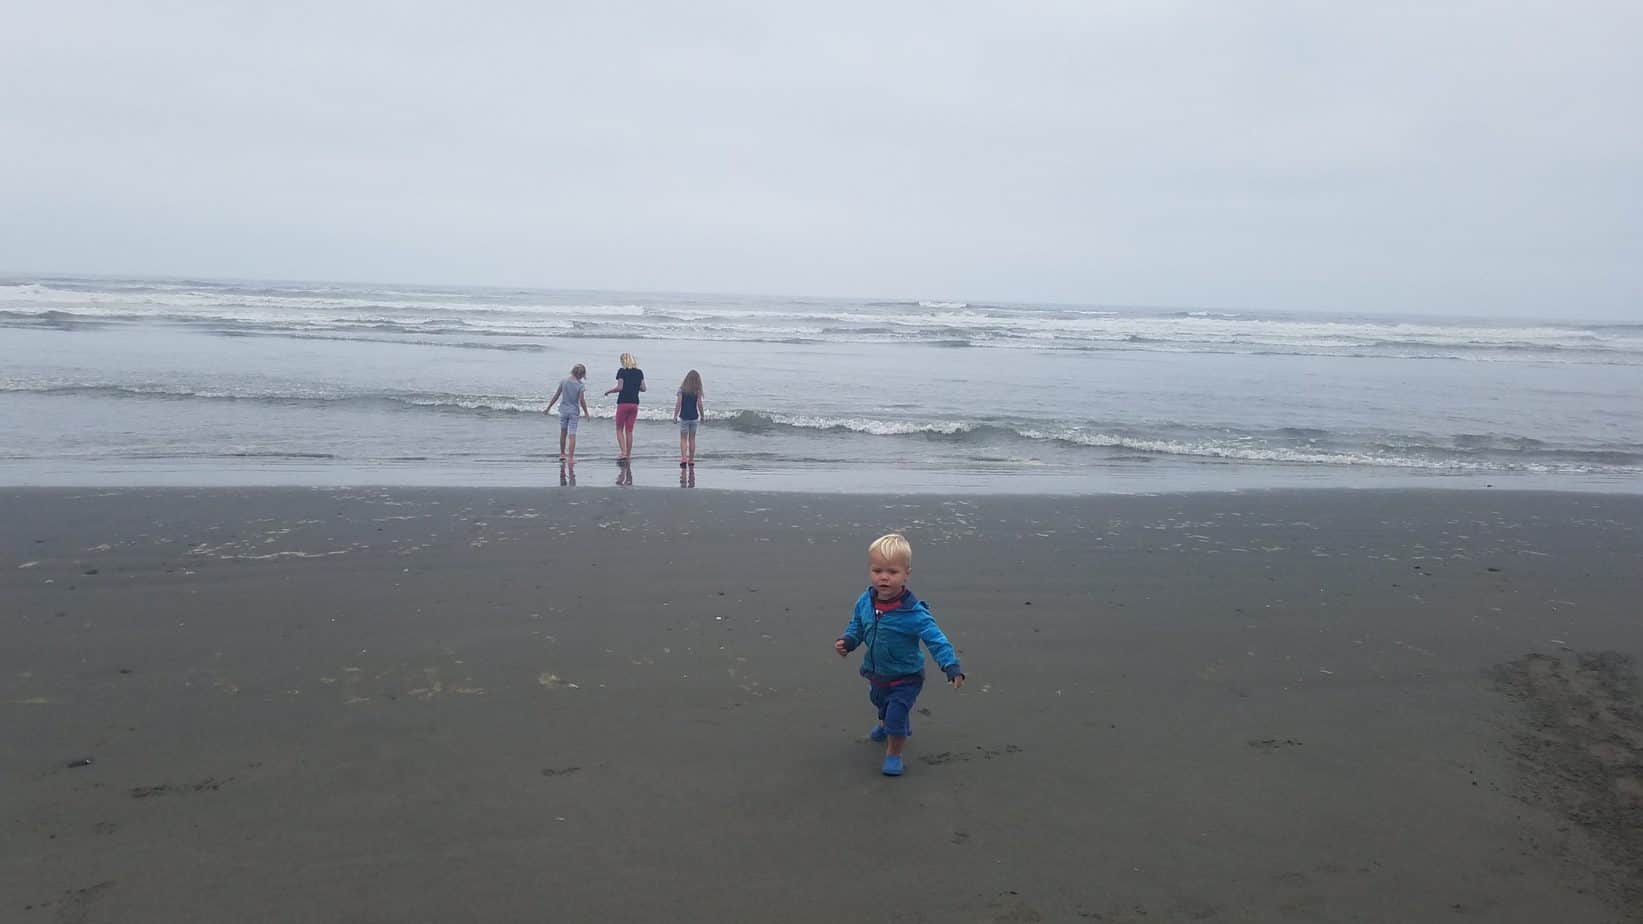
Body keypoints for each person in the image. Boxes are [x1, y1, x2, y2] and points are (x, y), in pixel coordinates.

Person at [834, 533, 965, 777]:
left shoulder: (914, 613)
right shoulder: (865, 600)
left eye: (892, 572)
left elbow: (936, 640)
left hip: (906, 676)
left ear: (907, 574)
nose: (883, 577)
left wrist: (951, 666)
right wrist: (849, 641)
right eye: (877, 570)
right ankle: (884, 724)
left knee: (897, 715)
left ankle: (894, 754)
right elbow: (858, 626)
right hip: (876, 672)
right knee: (879, 702)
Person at [544, 364, 590, 466]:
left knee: (563, 432)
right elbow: (582, 401)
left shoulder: (564, 381)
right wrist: (586, 412)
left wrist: (548, 407)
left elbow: (556, 395)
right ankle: (571, 458)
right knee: (572, 434)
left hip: (563, 411)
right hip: (573, 412)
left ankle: (562, 454)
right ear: (581, 375)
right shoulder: (580, 385)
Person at [603, 353, 645, 462]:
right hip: (634, 404)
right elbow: (643, 388)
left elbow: (620, 387)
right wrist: (634, 386)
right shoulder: (639, 372)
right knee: (629, 431)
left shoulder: (622, 371)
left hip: (623, 403)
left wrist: (608, 391)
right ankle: (629, 455)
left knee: (619, 429)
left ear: (623, 361)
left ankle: (623, 452)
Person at [673, 369, 706, 468]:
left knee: (683, 439)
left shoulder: (681, 390)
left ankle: (683, 458)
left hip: (684, 417)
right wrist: (702, 415)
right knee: (692, 439)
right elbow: (700, 404)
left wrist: (675, 415)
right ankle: (691, 459)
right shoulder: (698, 391)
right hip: (694, 417)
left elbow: (678, 403)